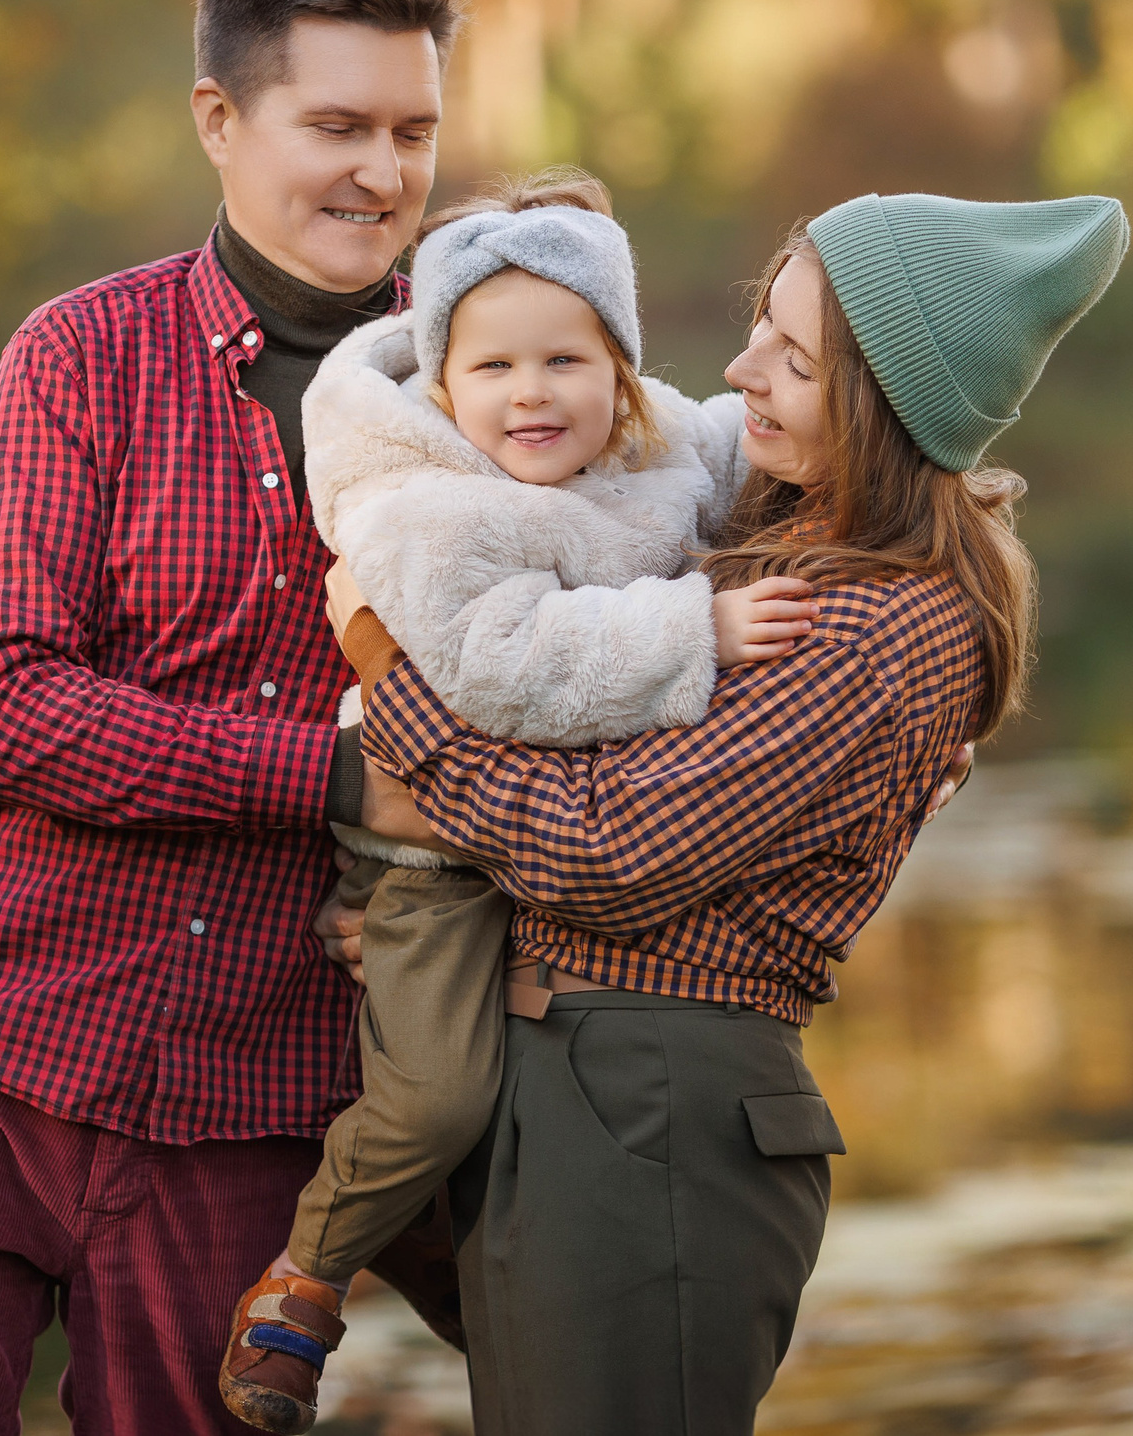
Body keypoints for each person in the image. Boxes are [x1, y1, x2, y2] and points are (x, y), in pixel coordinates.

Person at [0, 0, 460, 1435]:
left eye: (413, 132)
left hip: (251, 1103)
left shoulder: (476, 388)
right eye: (336, 126)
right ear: (220, 120)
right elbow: (3, 705)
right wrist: (338, 778)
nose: (381, 172)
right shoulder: (79, 357)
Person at [317, 191, 1130, 1436]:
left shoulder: (876, 624)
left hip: (657, 1105)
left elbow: (603, 848)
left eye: (795, 359)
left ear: (887, 405)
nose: (743, 369)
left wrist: (393, 681)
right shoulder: (773, 533)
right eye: (762, 325)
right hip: (582, 1085)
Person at [214, 172, 822, 1433]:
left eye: (565, 360)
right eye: (492, 367)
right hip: (431, 859)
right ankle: (308, 1273)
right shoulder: (425, 509)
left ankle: (471, 1263)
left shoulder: (657, 447)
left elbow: (772, 455)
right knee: (441, 1094)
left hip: (561, 870)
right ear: (443, 385)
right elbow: (506, 665)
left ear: (623, 375)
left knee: (527, 1104)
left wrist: (932, 519)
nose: (531, 393)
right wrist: (691, 627)